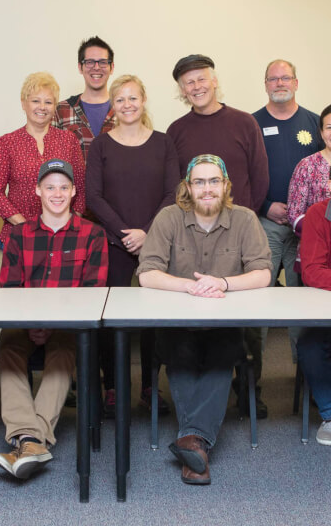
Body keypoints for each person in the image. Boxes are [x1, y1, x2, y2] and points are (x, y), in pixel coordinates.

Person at [137, 154, 272, 485]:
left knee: (222, 356)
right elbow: (146, 273)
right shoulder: (169, 218)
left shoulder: (244, 219)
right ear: (188, 187)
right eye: (199, 182)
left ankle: (191, 442)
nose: (207, 188)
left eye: (214, 181)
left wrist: (223, 283)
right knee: (181, 355)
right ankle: (197, 444)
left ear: (226, 185)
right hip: (178, 322)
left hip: (224, 322)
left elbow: (263, 273)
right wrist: (190, 287)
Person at [168, 54, 270, 418]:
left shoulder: (244, 122)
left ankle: (248, 391)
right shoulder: (177, 130)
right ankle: (200, 387)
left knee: (248, 317)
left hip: (240, 231)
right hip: (195, 234)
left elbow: (260, 177)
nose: (196, 86)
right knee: (197, 307)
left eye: (201, 79)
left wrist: (241, 220)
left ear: (214, 81)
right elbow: (178, 184)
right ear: (182, 90)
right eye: (188, 82)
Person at [0, 159, 108, 479]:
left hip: (69, 325)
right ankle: (34, 439)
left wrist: (52, 325)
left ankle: (29, 440)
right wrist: (32, 324)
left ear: (73, 192)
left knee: (62, 353)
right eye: (50, 187)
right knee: (8, 348)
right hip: (24, 321)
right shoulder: (18, 234)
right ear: (37, 190)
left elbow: (92, 292)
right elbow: (10, 288)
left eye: (63, 187)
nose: (56, 193)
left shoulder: (93, 235)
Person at [86, 75, 179, 417]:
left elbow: (173, 193)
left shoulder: (163, 143)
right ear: (113, 105)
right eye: (120, 99)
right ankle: (112, 386)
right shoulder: (101, 146)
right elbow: (93, 196)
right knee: (112, 319)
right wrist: (127, 233)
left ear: (143, 101)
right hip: (113, 242)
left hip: (156, 243)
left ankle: (150, 387)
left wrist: (147, 233)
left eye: (133, 98)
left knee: (154, 318)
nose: (127, 105)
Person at [253, 60, 322, 363]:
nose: (279, 83)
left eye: (285, 78)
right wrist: (266, 206)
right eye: (273, 78)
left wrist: (303, 215)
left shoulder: (315, 123)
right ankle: (249, 386)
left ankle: (308, 382)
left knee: (304, 307)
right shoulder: (250, 123)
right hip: (264, 224)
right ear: (265, 84)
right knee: (258, 301)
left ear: (296, 83)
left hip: (308, 229)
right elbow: (243, 176)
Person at [0, 72, 85, 247]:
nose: (42, 107)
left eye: (48, 102)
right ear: (23, 103)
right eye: (35, 101)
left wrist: (71, 225)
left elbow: (81, 188)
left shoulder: (69, 141)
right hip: (18, 237)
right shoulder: (8, 142)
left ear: (55, 106)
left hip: (62, 237)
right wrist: (25, 226)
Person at [297, 198, 331, 445]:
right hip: (325, 305)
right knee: (310, 346)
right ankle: (330, 415)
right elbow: (312, 270)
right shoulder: (318, 214)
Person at [52, 36, 116, 161]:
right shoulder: (60, 110)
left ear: (111, 67)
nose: (96, 67)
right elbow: (50, 159)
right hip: (75, 181)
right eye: (90, 62)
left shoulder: (125, 110)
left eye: (103, 62)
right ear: (80, 67)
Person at [287, 104, 331, 268]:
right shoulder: (307, 166)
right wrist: (322, 232)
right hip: (315, 251)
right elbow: (294, 214)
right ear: (321, 132)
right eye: (329, 127)